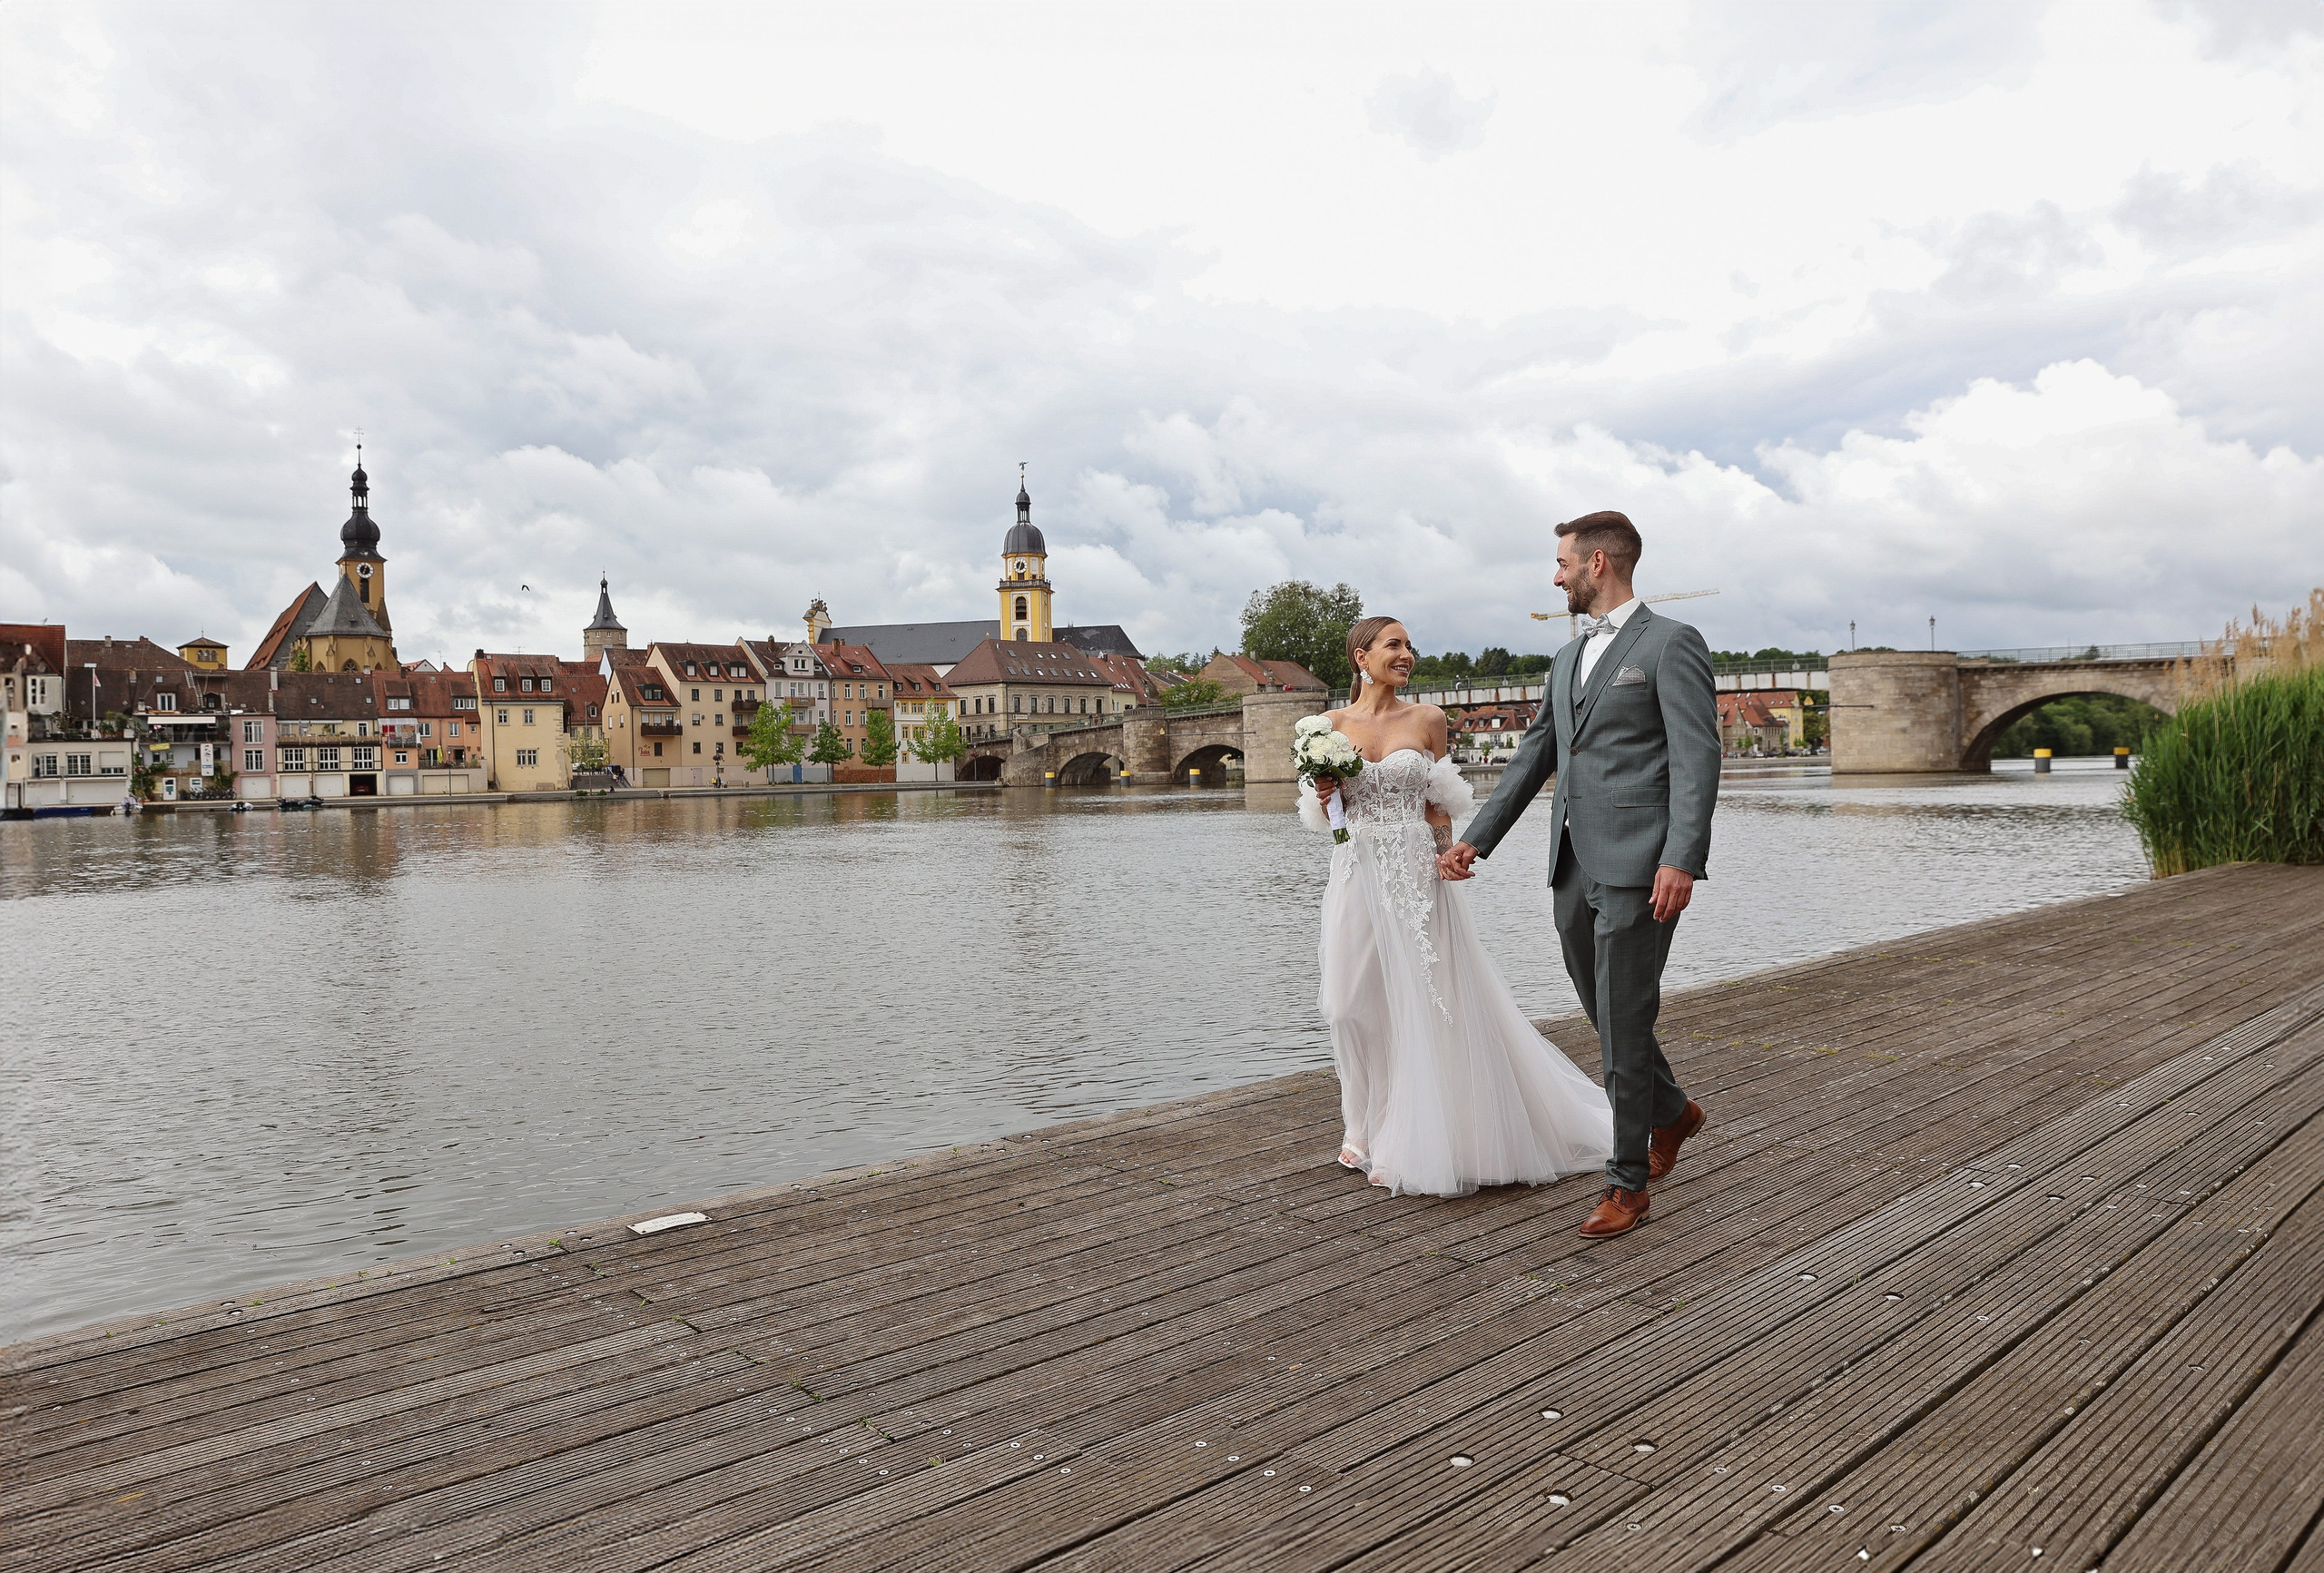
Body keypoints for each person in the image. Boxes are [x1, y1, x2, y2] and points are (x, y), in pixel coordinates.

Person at [1439, 511, 1720, 1238]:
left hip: (1643, 865)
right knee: (1603, 1008)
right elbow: (1534, 756)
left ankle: (1627, 1183)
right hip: (1572, 863)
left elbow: (1697, 758)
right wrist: (1477, 839)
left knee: (1623, 1017)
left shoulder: (1670, 643)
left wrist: (1682, 856)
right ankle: (1674, 1110)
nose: (1554, 574)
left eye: (1561, 562)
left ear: (1598, 563)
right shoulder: (1565, 660)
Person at [1303, 615, 1614, 1196]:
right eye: (1393, 645)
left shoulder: (1429, 721)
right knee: (1349, 1002)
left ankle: (1399, 1134)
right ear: (1360, 656)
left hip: (1419, 874)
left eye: (1409, 646)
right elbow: (1328, 822)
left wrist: (1449, 858)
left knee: (1424, 1003)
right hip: (1357, 871)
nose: (1406, 654)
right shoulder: (1326, 726)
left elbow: (1436, 806)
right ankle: (1361, 1123)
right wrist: (1326, 797)